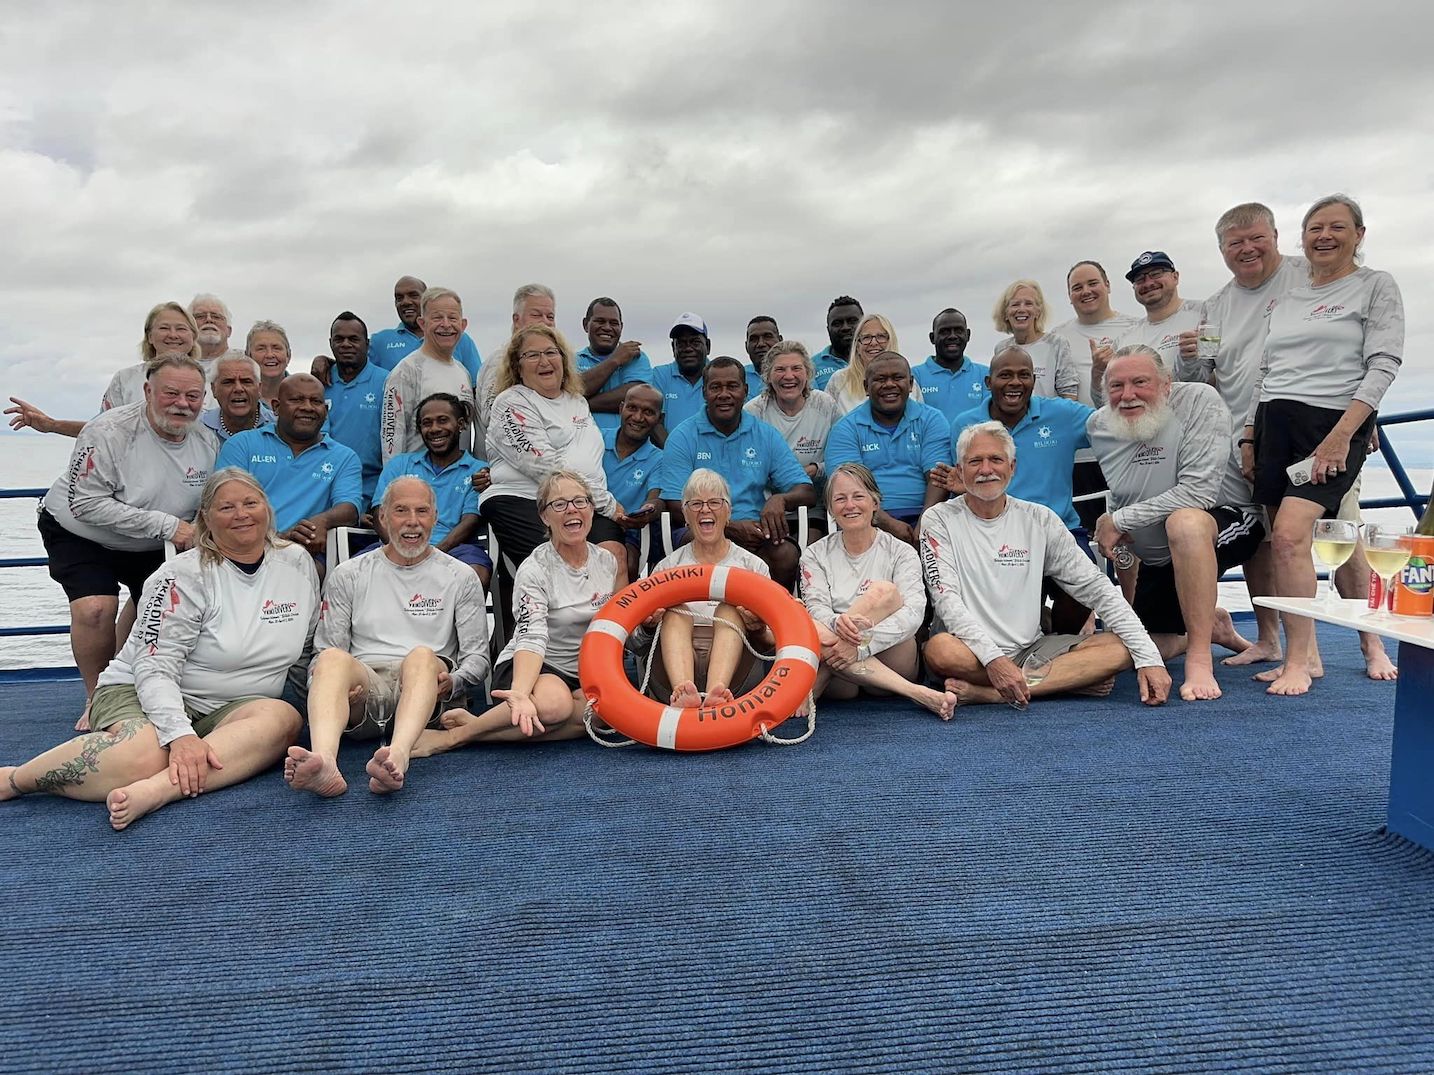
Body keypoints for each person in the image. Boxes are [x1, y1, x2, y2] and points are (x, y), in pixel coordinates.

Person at [1, 469, 318, 830]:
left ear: (268, 509)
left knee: (284, 720)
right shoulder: (181, 576)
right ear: (206, 520)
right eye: (226, 507)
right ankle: (17, 779)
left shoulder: (297, 562)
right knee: (144, 754)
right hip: (141, 690)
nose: (241, 514)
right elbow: (154, 667)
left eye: (250, 503)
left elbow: (306, 650)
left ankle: (157, 790)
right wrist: (179, 734)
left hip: (235, 705)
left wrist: (333, 707)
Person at [1181, 202, 1390, 679]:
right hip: (1251, 434)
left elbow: (1363, 354)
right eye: (1234, 243)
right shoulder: (1216, 305)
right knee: (1267, 541)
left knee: (1342, 535)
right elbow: (1206, 375)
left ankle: (1370, 643)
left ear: (1277, 235)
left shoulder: (1310, 277)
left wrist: (1362, 420)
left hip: (1327, 431)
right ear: (1221, 251)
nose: (1247, 249)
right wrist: (1194, 361)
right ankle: (1275, 641)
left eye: (1256, 237)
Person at [1247, 194, 1404, 697]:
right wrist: (1251, 435)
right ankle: (1306, 656)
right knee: (1281, 543)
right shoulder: (1287, 298)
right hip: (1275, 420)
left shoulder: (1375, 285)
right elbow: (1266, 372)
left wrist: (1343, 434)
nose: (1324, 236)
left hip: (1333, 421)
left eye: (1337, 227)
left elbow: (1383, 363)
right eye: (1314, 228)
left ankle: (1310, 659)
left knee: (1295, 535)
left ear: (1358, 233)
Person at [922, 422, 1171, 708]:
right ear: (960, 468)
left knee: (1120, 649)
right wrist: (994, 660)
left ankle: (990, 694)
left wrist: (1149, 660)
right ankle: (1063, 682)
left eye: (996, 459)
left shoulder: (1040, 518)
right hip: (969, 651)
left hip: (1032, 649)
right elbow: (946, 601)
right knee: (941, 650)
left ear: (1012, 467)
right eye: (975, 461)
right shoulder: (938, 519)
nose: (986, 469)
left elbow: (1097, 587)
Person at [37, 353, 219, 723]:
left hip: (149, 543)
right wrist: (168, 526)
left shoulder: (208, 442)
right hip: (80, 532)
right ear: (148, 391)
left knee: (156, 608)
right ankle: (96, 698)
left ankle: (130, 685)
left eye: (193, 396)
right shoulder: (106, 432)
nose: (182, 404)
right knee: (96, 609)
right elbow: (85, 503)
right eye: (171, 393)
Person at [284, 476, 489, 798]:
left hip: (427, 694)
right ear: (383, 518)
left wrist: (456, 681)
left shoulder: (460, 575)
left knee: (422, 656)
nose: (412, 522)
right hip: (363, 694)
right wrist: (329, 687)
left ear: (435, 517)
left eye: (422, 511)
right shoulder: (349, 574)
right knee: (331, 659)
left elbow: (478, 657)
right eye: (400, 511)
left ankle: (397, 756)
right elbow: (325, 650)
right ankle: (324, 762)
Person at [1088, 346, 1264, 701]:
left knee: (1185, 523)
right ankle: (1211, 625)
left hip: (1226, 520)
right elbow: (1125, 499)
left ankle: (1200, 658)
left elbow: (1198, 493)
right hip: (1157, 552)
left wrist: (1118, 519)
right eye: (1117, 386)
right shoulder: (1100, 426)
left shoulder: (1199, 400)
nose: (1128, 395)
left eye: (1140, 382)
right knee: (1142, 647)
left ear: (1166, 384)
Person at [412, 471, 621, 753]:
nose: (572, 509)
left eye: (580, 501)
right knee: (554, 708)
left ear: (591, 509)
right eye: (559, 504)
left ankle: (475, 728)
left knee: (600, 716)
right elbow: (531, 636)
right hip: (534, 665)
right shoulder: (534, 569)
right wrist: (521, 693)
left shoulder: (607, 561)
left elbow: (616, 624)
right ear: (544, 516)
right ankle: (453, 738)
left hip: (584, 671)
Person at [943, 346, 1096, 633]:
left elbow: (1111, 425)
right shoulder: (965, 424)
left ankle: (1061, 644)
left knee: (1084, 588)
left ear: (1033, 382)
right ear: (989, 383)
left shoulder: (1063, 414)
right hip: (993, 535)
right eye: (1005, 375)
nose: (1015, 382)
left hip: (1060, 529)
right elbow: (965, 482)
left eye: (1024, 375)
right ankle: (1035, 630)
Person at [799, 464, 957, 717]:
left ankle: (820, 679)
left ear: (875, 502)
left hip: (890, 656)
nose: (849, 505)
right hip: (842, 676)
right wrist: (840, 624)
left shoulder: (901, 551)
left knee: (884, 592)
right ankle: (918, 693)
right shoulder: (814, 554)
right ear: (830, 509)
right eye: (840, 499)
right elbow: (816, 610)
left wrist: (861, 645)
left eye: (858, 496)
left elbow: (914, 613)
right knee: (812, 624)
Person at [482, 324, 628, 577]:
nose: (544, 361)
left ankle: (613, 618)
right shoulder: (510, 402)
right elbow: (546, 467)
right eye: (532, 355)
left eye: (551, 352)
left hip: (585, 503)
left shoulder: (578, 402)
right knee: (564, 567)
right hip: (524, 500)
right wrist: (606, 504)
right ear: (517, 366)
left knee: (613, 558)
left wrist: (594, 502)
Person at [657, 356, 815, 588]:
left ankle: (768, 622)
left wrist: (780, 499)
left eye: (732, 386)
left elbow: (806, 491)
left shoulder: (765, 434)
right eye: (715, 387)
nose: (724, 394)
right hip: (699, 526)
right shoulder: (682, 436)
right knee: (701, 540)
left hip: (754, 530)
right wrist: (728, 527)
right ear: (704, 392)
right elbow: (673, 504)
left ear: (745, 390)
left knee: (785, 554)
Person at [646, 470, 773, 707]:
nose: (705, 509)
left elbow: (772, 641)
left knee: (729, 609)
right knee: (675, 610)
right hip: (674, 661)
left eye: (715, 502)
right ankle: (683, 691)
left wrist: (757, 628)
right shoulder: (667, 567)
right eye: (695, 504)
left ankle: (717, 692)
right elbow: (635, 643)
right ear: (685, 514)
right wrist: (647, 626)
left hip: (737, 668)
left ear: (728, 512)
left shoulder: (753, 566)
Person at [6, 302, 204, 438]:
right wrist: (51, 425)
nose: (172, 335)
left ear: (193, 336)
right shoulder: (125, 379)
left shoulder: (214, 380)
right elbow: (101, 430)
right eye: (163, 328)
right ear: (149, 336)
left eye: (181, 328)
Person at [216, 374, 362, 556]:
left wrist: (323, 521)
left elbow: (349, 508)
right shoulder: (241, 445)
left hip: (303, 552)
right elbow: (223, 504)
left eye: (315, 401)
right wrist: (276, 540)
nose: (307, 407)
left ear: (325, 411)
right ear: (276, 407)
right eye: (296, 400)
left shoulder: (344, 457)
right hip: (242, 548)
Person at [824, 351, 951, 544]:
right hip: (867, 520)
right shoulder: (846, 428)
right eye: (880, 379)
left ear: (910, 384)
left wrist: (925, 523)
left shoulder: (932, 419)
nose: (889, 384)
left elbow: (938, 478)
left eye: (898, 378)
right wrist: (888, 524)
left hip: (926, 515)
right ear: (866, 387)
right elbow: (848, 487)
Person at [372, 393, 492, 586]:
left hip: (454, 548)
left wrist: (430, 555)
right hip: (394, 546)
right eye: (427, 423)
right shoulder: (400, 464)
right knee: (353, 572)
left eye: (443, 421)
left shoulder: (477, 471)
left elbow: (470, 521)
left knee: (475, 572)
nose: (435, 429)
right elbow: (380, 513)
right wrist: (400, 549)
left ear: (461, 424)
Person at [380, 287, 477, 461]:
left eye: (452, 318)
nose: (446, 325)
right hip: (419, 481)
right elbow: (392, 437)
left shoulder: (463, 373)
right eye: (437, 317)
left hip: (459, 481)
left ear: (463, 325)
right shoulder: (406, 371)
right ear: (422, 323)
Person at [743, 340, 842, 507]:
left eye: (796, 368)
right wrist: (788, 476)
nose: (789, 376)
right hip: (766, 504)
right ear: (767, 375)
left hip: (816, 503)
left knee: (812, 532)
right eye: (780, 369)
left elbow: (841, 459)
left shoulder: (825, 405)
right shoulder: (754, 412)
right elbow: (745, 466)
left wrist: (816, 470)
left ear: (808, 373)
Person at [474, 283, 558, 448]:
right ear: (516, 319)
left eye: (550, 316)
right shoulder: (499, 362)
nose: (545, 322)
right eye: (536, 315)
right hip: (496, 466)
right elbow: (492, 417)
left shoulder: (554, 363)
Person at [1104, 252, 1204, 385]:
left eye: (1156, 274)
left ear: (1175, 277)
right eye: (1140, 279)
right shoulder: (1124, 339)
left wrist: (1191, 361)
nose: (1148, 283)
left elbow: (1220, 375)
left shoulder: (1205, 314)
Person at [1050, 261, 1140, 408]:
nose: (1086, 291)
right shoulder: (1058, 336)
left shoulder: (1135, 327)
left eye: (1092, 284)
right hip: (1078, 426)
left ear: (1107, 285)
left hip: (1125, 421)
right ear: (1069, 296)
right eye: (1077, 287)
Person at [322, 311, 386, 511]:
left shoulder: (387, 381)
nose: (346, 344)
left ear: (366, 344)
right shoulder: (319, 382)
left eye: (353, 339)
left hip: (372, 487)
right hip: (325, 483)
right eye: (339, 339)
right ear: (331, 343)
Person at [602, 383, 665, 577]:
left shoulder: (659, 458)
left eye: (648, 412)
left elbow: (655, 499)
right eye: (632, 408)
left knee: (624, 564)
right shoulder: (595, 437)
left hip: (627, 530)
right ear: (621, 408)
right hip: (583, 521)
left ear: (659, 418)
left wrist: (648, 511)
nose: (638, 417)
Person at [576, 296, 653, 435]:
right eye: (600, 321)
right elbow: (576, 390)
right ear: (585, 324)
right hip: (582, 448)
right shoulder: (571, 360)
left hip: (626, 451)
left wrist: (581, 403)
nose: (607, 327)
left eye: (614, 323)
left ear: (621, 327)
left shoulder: (637, 357)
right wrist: (615, 360)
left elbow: (635, 398)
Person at [992, 279, 1078, 402]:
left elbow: (1069, 394)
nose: (1021, 309)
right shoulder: (1001, 349)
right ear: (1005, 313)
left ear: (1038, 311)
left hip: (1048, 419)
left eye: (1028, 304)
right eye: (1015, 304)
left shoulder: (1056, 344)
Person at [825, 313, 912, 415]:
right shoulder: (839, 380)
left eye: (881, 336)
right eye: (866, 337)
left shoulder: (907, 379)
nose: (874, 343)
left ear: (891, 341)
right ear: (857, 346)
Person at [913, 308, 989, 423]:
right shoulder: (914, 376)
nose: (952, 336)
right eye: (944, 331)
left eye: (958, 331)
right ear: (932, 338)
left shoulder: (985, 375)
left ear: (968, 335)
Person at [649, 312, 712, 441]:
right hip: (668, 456)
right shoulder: (659, 376)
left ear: (708, 346)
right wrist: (676, 454)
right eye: (681, 343)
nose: (688, 348)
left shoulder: (720, 376)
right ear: (673, 348)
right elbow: (654, 422)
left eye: (695, 342)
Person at [200, 354, 272, 443]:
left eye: (246, 382)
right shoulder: (198, 428)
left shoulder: (280, 427)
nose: (238, 389)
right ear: (214, 389)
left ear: (259, 389)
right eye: (228, 382)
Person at [812, 296, 863, 389]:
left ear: (864, 324)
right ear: (828, 330)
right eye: (837, 323)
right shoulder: (811, 366)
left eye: (852, 321)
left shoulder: (878, 361)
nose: (845, 327)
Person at [190, 293, 246, 377]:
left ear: (229, 330)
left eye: (216, 317)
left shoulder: (246, 363)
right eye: (200, 316)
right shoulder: (175, 364)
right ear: (189, 328)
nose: (209, 320)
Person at [246, 320, 292, 408]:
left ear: (288, 355)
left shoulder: (307, 393)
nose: (270, 355)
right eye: (261, 349)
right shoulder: (237, 397)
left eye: (276, 348)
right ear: (248, 356)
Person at [743, 315, 781, 395]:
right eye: (754, 339)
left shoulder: (798, 377)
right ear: (746, 346)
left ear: (780, 341)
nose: (760, 344)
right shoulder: (739, 377)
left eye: (767, 337)